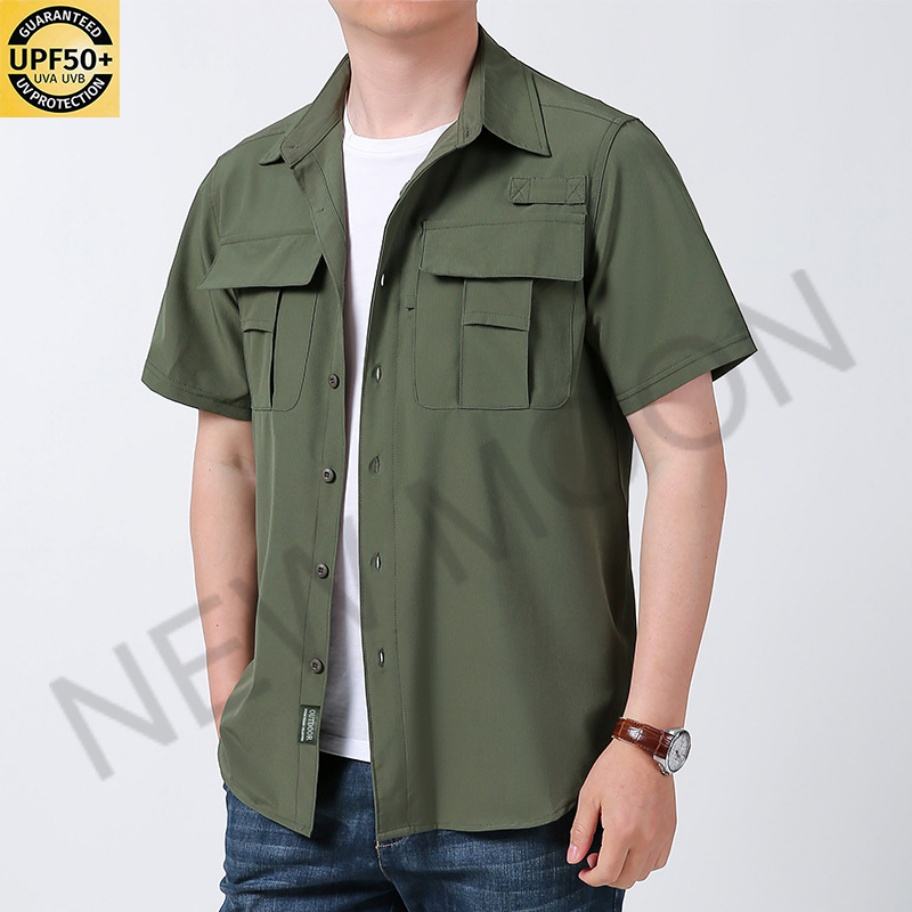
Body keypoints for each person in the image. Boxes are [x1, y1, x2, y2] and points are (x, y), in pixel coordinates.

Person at [141, 2, 757, 909]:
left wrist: (647, 740)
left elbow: (686, 456)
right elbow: (228, 459)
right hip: (290, 808)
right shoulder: (245, 188)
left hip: (530, 800)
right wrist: (234, 696)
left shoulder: (600, 163)